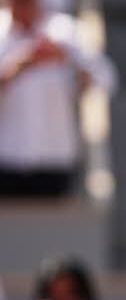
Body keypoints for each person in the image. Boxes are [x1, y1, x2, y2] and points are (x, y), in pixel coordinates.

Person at [0, 0, 116, 197]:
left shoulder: (67, 31)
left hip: (55, 158)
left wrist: (67, 60)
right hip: (6, 157)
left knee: (52, 227)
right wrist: (18, 67)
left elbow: (105, 78)